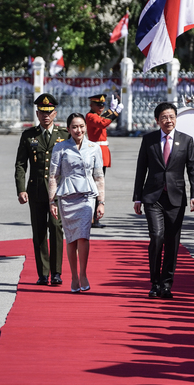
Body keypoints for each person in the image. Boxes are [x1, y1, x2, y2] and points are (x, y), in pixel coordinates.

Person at [133, 102, 194, 299]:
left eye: (171, 116)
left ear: (176, 118)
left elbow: (193, 170)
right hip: (152, 197)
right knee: (157, 237)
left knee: (172, 241)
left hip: (176, 198)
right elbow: (141, 170)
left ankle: (167, 284)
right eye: (164, 117)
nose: (168, 120)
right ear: (157, 120)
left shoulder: (186, 141)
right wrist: (137, 197)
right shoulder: (149, 140)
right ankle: (154, 283)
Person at [15, 93, 69, 285]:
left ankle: (56, 273)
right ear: (37, 114)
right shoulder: (29, 136)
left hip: (58, 192)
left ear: (55, 113)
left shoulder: (64, 136)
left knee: (56, 229)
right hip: (36, 190)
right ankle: (43, 273)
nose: (46, 116)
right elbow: (21, 165)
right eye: (42, 112)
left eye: (49, 112)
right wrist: (21, 189)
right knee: (39, 232)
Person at [48, 113, 105, 293]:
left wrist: (101, 202)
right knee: (71, 239)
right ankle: (73, 276)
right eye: (74, 127)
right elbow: (53, 176)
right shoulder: (60, 148)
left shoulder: (94, 148)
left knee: (83, 235)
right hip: (67, 197)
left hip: (87, 197)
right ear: (68, 129)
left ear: (85, 127)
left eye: (81, 126)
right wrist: (52, 201)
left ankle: (83, 274)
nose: (78, 130)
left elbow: (99, 177)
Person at [85, 93, 122, 228]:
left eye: (102, 105)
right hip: (96, 153)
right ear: (91, 105)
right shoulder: (90, 116)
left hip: (102, 153)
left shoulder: (97, 114)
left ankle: (95, 217)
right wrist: (115, 113)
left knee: (98, 185)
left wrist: (111, 111)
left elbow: (103, 117)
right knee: (95, 186)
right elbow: (102, 123)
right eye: (98, 105)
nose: (101, 107)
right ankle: (92, 218)